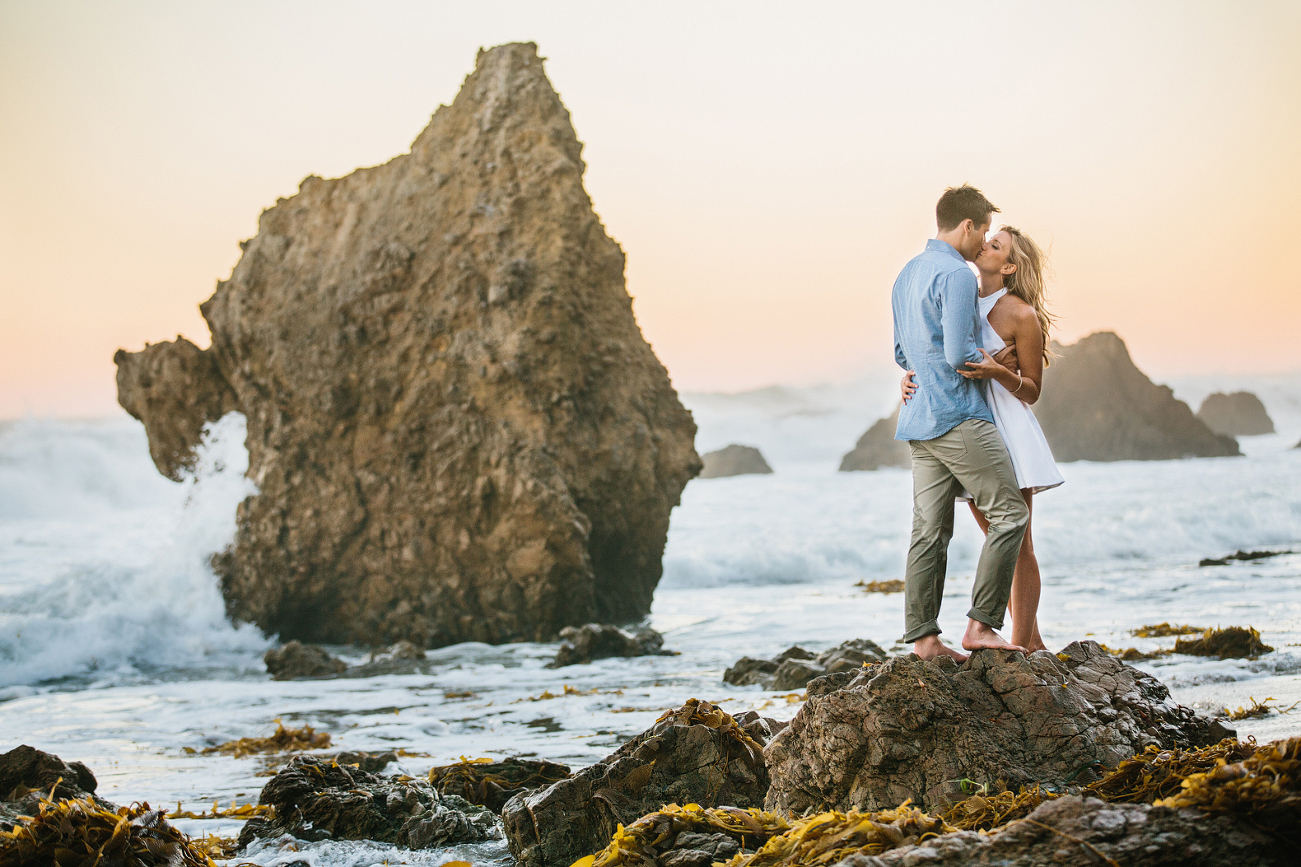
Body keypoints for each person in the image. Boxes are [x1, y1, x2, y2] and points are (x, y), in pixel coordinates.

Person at [903, 226, 1063, 653]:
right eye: (988, 239)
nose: (985, 244)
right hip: (966, 427)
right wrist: (909, 375)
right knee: (1000, 540)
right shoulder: (960, 295)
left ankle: (1023, 643)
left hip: (1006, 429)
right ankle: (1035, 644)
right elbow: (931, 351)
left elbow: (1031, 390)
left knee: (1019, 541)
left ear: (1008, 265)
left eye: (996, 246)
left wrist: (997, 371)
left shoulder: (1020, 314)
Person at [891, 185, 1030, 663]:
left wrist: (916, 376)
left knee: (928, 532)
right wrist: (989, 359)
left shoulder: (907, 274)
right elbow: (957, 354)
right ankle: (981, 625)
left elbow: (902, 355)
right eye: (984, 231)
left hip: (917, 421)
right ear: (968, 225)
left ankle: (925, 642)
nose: (982, 242)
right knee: (1011, 515)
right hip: (958, 415)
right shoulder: (957, 274)